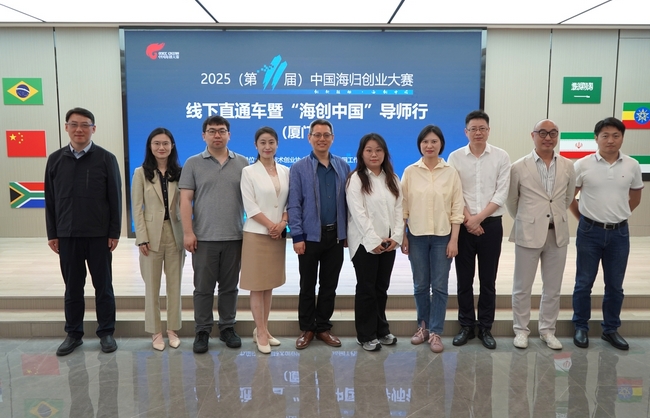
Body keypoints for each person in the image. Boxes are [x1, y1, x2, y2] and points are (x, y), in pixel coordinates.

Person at [45, 107, 122, 356]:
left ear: (93, 129)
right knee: (73, 288)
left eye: (85, 125)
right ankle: (73, 334)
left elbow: (115, 198)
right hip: (67, 235)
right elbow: (50, 200)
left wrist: (114, 232)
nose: (79, 129)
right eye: (74, 124)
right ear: (66, 127)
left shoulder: (106, 158)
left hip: (99, 235)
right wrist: (52, 233)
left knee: (104, 286)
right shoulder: (55, 160)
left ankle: (106, 332)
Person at [570, 117, 643, 351]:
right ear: (596, 138)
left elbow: (635, 198)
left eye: (615, 135)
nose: (610, 140)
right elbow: (570, 197)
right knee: (584, 282)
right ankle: (580, 326)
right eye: (605, 135)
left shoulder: (632, 165)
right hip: (589, 232)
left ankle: (610, 329)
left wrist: (617, 215)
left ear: (622, 137)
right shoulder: (582, 165)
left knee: (615, 285)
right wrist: (584, 219)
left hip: (619, 234)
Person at [179, 115, 249, 353]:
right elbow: (185, 200)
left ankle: (227, 327)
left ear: (229, 135)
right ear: (204, 135)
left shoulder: (243, 163)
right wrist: (188, 232)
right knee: (203, 288)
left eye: (221, 131)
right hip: (204, 238)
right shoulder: (193, 163)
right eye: (212, 131)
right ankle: (202, 330)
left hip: (234, 236)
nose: (217, 135)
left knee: (230, 287)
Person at [506, 119, 576, 350]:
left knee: (553, 288)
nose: (548, 137)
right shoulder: (519, 166)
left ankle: (547, 330)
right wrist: (528, 219)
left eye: (553, 133)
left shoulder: (568, 165)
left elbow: (567, 198)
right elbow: (512, 201)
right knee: (522, 286)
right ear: (533, 135)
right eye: (543, 133)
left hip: (557, 234)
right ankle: (521, 330)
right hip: (528, 232)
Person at [448, 110, 510, 350]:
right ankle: (466, 325)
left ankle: (485, 327)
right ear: (466, 132)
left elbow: (501, 193)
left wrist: (479, 219)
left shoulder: (501, 157)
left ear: (488, 130)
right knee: (464, 280)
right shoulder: (455, 157)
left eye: (482, 128)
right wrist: (469, 220)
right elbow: (454, 193)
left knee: (488, 280)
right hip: (463, 226)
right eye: (473, 129)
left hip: (491, 225)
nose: (478, 133)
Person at [287, 119, 351, 349]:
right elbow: (294, 204)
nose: (322, 139)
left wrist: (346, 233)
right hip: (309, 237)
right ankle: (307, 329)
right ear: (309, 138)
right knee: (307, 285)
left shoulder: (343, 166)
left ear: (332, 138)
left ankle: (323, 327)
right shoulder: (299, 168)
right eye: (317, 135)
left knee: (329, 285)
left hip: (335, 237)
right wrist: (297, 236)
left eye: (326, 135)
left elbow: (348, 203)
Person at [401, 125, 464, 353]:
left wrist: (454, 240)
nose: (429, 145)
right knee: (420, 285)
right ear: (420, 144)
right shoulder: (410, 172)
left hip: (442, 237)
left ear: (441, 145)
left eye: (434, 141)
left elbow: (457, 208)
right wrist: (403, 236)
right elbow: (403, 207)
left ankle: (436, 332)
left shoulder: (450, 172)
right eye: (425, 142)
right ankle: (423, 327)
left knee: (439, 286)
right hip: (416, 236)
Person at [346, 133, 404, 352]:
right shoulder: (356, 179)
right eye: (369, 150)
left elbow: (399, 210)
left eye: (378, 150)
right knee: (366, 289)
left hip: (388, 244)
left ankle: (381, 330)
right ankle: (365, 335)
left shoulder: (393, 179)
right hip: (364, 244)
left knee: (381, 288)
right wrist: (373, 241)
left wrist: (396, 237)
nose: (374, 154)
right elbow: (358, 214)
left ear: (385, 153)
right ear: (362, 153)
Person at [132, 127, 185, 351]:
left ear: (172, 146)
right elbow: (137, 208)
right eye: (156, 143)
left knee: (174, 285)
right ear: (150, 147)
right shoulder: (140, 173)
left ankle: (172, 329)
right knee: (152, 287)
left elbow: (186, 205)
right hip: (151, 236)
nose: (161, 147)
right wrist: (141, 238)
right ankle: (155, 332)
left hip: (175, 233)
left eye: (165, 143)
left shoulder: (180, 172)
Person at [240, 127, 289, 354]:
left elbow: (289, 202)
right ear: (256, 146)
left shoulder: (286, 171)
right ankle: (260, 332)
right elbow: (250, 207)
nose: (267, 146)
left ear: (277, 144)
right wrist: (271, 226)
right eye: (262, 142)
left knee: (269, 285)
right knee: (257, 286)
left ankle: (264, 329)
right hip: (257, 234)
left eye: (271, 142)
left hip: (277, 235)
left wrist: (282, 223)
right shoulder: (248, 172)